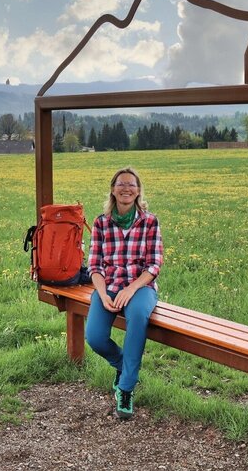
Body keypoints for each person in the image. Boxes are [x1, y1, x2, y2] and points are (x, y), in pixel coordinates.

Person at [85, 167, 162, 420]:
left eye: (131, 184)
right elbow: (94, 266)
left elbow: (154, 265)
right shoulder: (101, 223)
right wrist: (102, 294)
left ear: (138, 191)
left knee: (138, 316)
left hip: (140, 287)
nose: (126, 188)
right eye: (121, 184)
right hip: (108, 286)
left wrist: (131, 288)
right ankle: (123, 365)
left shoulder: (149, 221)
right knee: (95, 337)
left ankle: (126, 388)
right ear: (112, 189)